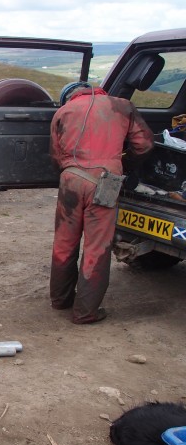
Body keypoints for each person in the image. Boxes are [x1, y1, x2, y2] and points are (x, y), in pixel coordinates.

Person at [49, 82, 153, 324]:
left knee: (64, 242)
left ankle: (60, 300)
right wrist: (123, 165)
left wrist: (68, 172)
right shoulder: (122, 106)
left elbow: (55, 156)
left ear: (70, 95)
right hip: (106, 180)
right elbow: (144, 144)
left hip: (70, 179)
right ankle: (86, 312)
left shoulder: (63, 112)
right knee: (97, 245)